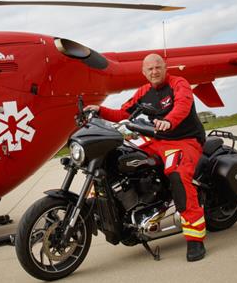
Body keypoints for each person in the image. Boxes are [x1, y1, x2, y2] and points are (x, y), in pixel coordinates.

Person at [85, 53, 207, 261]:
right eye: (149, 69)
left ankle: (195, 239)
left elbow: (183, 105)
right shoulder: (144, 91)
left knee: (177, 174)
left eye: (158, 67)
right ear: (144, 72)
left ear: (165, 67)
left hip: (183, 140)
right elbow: (123, 113)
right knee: (119, 157)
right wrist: (99, 110)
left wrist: (169, 121)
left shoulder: (179, 84)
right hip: (156, 139)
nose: (154, 71)